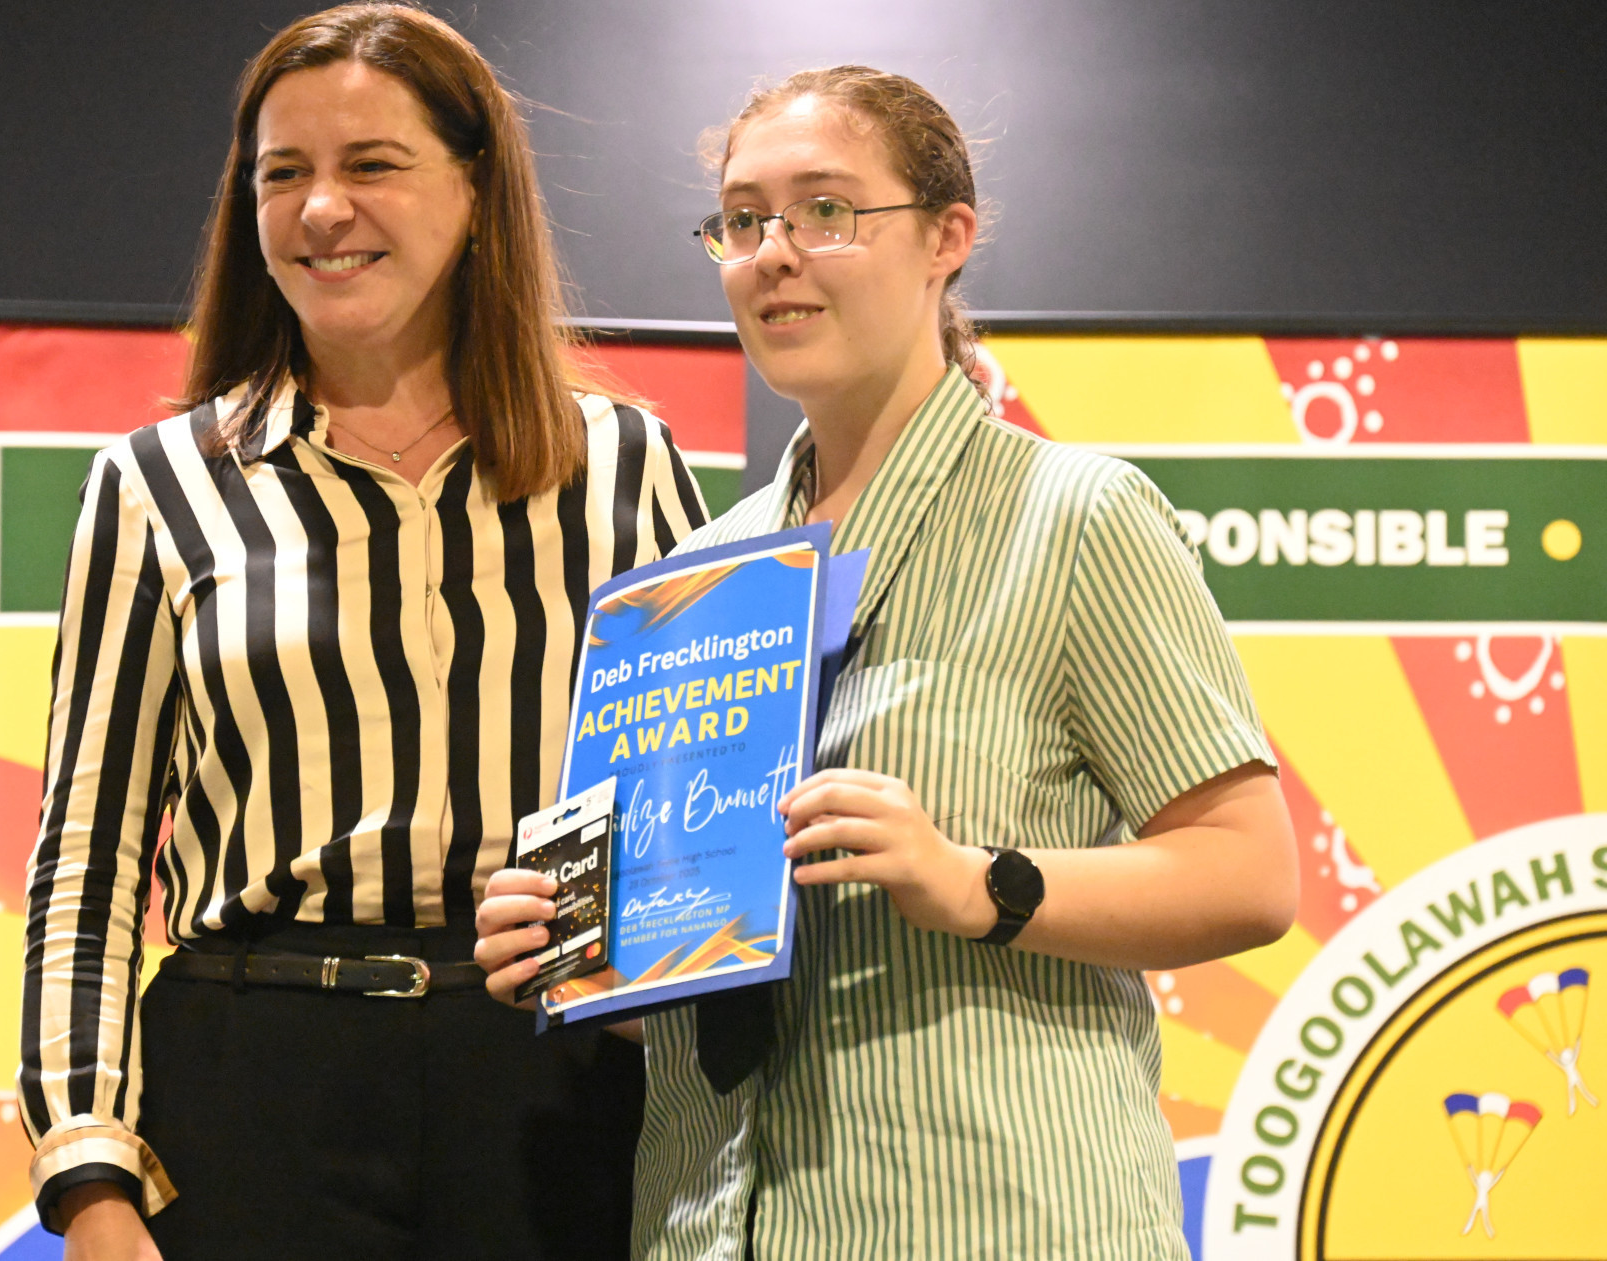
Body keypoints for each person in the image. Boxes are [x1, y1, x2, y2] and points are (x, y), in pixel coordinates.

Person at [475, 66, 1299, 1259]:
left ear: (944, 239)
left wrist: (972, 882)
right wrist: (578, 950)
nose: (773, 252)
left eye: (824, 212)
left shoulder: (1075, 515)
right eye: (742, 219)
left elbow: (1247, 875)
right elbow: (707, 976)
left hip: (1000, 1220)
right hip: (715, 1226)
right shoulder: (693, 577)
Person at [19, 1, 708, 1261]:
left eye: (371, 165)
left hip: (557, 1083)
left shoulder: (624, 462)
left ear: (477, 191)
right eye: (283, 174)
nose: (320, 209)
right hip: (251, 1086)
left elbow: (693, 798)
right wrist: (88, 1179)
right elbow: (89, 857)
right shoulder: (156, 484)